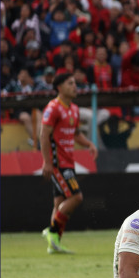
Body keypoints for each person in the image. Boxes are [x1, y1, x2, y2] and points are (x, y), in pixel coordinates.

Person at [39, 73, 98, 254]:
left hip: (68, 161)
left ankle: (53, 245)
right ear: (60, 87)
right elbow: (43, 135)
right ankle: (51, 231)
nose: (75, 86)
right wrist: (47, 162)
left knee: (59, 203)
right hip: (58, 163)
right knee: (76, 197)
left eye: (75, 83)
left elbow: (75, 133)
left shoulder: (73, 108)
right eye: (70, 83)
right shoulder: (53, 107)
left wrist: (88, 144)